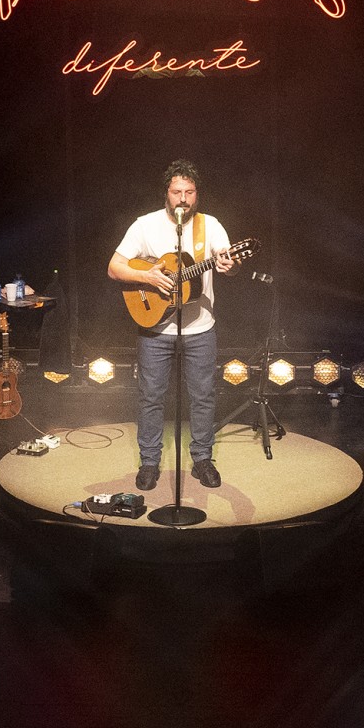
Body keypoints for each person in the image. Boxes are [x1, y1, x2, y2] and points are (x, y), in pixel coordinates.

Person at [107, 159, 237, 490]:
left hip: (200, 328)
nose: (183, 198)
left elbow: (226, 260)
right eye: (177, 191)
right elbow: (114, 267)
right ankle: (149, 463)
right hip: (154, 328)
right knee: (151, 395)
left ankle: (202, 459)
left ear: (197, 194)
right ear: (166, 192)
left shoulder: (210, 225)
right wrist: (144, 275)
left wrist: (228, 265)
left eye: (189, 192)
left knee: (203, 395)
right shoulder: (144, 225)